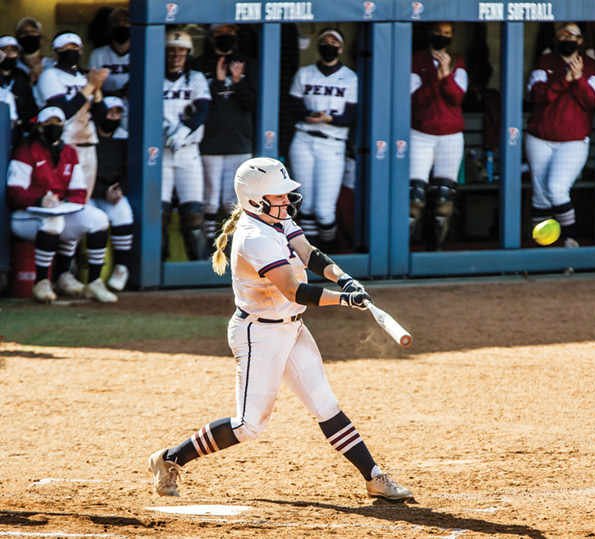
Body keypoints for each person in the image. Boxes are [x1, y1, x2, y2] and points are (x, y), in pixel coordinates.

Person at [148, 157, 412, 501]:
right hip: (259, 335)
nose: (287, 201)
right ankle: (169, 458)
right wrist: (345, 300)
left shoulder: (277, 218)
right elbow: (293, 290)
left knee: (326, 405)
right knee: (248, 426)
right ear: (255, 199)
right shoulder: (254, 238)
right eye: (279, 196)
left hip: (292, 329)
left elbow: (308, 252)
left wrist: (344, 278)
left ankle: (374, 477)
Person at [6, 106, 117, 303]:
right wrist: (40, 200)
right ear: (40, 127)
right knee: (53, 221)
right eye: (49, 123)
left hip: (58, 211)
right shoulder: (26, 150)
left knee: (98, 218)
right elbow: (14, 193)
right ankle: (42, 282)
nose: (54, 127)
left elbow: (79, 191)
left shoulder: (68, 152)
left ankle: (93, 282)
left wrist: (67, 202)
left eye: (58, 123)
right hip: (25, 215)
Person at [525, 22, 595, 248]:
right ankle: (545, 246)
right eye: (563, 35)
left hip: (573, 140)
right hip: (540, 137)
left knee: (557, 188)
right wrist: (564, 80)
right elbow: (536, 93)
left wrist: (577, 79)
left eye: (573, 36)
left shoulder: (589, 65)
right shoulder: (546, 61)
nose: (567, 39)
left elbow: (592, 101)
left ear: (580, 40)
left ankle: (569, 239)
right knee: (540, 195)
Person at [288, 28, 358, 249]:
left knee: (324, 210)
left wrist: (328, 118)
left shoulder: (350, 77)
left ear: (341, 47)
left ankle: (329, 251)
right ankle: (312, 258)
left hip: (332, 143)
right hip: (304, 140)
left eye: (333, 42)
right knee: (305, 206)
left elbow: (351, 116)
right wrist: (309, 115)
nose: (328, 45)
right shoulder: (305, 73)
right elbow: (292, 106)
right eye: (324, 41)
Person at [197, 23, 256, 252]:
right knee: (209, 201)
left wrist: (238, 80)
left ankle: (231, 249)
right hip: (210, 143)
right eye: (220, 34)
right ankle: (207, 252)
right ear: (211, 37)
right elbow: (201, 105)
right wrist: (219, 82)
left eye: (230, 33)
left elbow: (251, 103)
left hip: (239, 141)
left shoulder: (247, 64)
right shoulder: (201, 65)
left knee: (231, 201)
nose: (225, 38)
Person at [409, 21, 468, 251]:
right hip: (421, 134)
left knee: (445, 193)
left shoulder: (457, 61)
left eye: (447, 33)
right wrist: (436, 77)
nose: (442, 37)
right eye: (438, 32)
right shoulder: (417, 60)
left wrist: (445, 76)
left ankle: (436, 249)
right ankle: (406, 250)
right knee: (415, 194)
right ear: (429, 33)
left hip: (451, 135)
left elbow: (457, 97)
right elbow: (416, 98)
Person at [36, 32, 109, 202]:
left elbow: (102, 117)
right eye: (64, 48)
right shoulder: (49, 76)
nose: (70, 51)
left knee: (83, 199)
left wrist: (97, 92)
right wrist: (90, 85)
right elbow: (64, 112)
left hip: (89, 142)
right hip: (65, 144)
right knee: (62, 197)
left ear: (81, 50)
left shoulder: (83, 78)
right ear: (55, 52)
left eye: (74, 47)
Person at [162, 29, 211, 260]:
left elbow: (202, 110)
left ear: (188, 53)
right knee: (159, 213)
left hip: (188, 151)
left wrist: (183, 130)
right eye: (171, 50)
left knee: (193, 213)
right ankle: (159, 266)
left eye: (181, 50)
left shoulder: (196, 78)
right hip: (160, 152)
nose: (176, 55)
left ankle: (197, 265)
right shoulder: (154, 75)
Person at [87, 96, 133, 291]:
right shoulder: (86, 136)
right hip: (87, 193)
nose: (113, 117)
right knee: (92, 220)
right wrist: (100, 191)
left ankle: (122, 268)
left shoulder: (124, 139)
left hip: (110, 194)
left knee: (123, 213)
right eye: (109, 111)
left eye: (117, 112)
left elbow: (131, 170)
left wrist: (118, 189)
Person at [88, 8, 131, 130]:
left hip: (135, 111)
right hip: (108, 113)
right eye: (116, 21)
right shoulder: (98, 54)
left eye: (125, 21)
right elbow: (92, 88)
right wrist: (118, 92)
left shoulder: (143, 52)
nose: (121, 24)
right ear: (109, 27)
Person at [0, 35, 38, 141]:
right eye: (5, 50)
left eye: (13, 50)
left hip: (17, 131)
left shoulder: (22, 75)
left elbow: (30, 106)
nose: (10, 54)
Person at [15, 17, 54, 85]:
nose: (29, 35)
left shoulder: (52, 64)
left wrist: (41, 77)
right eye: (24, 32)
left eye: (33, 32)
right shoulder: (13, 66)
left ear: (41, 40)